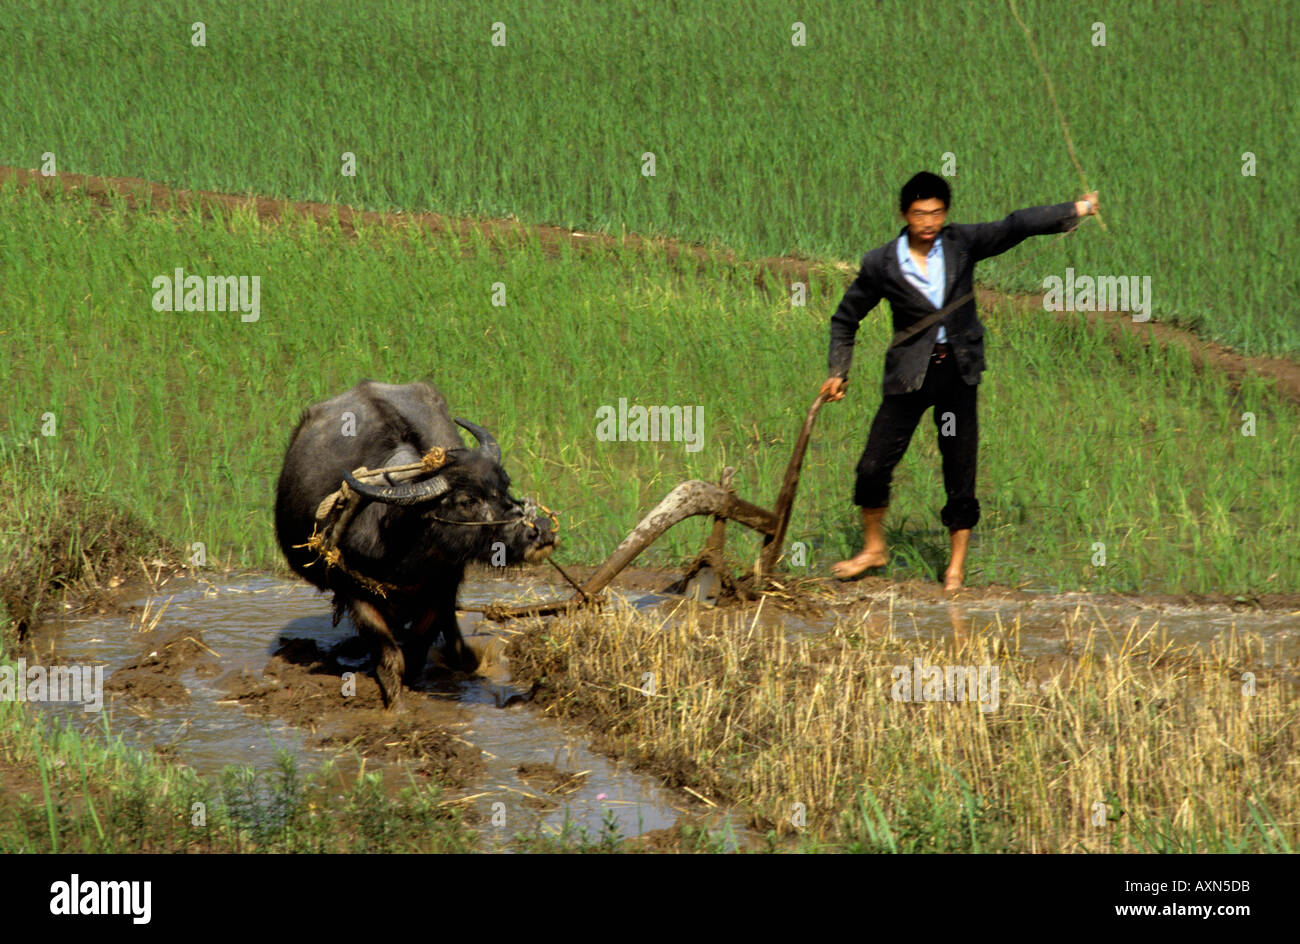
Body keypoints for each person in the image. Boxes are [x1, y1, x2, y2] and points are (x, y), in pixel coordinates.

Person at [820, 171, 1099, 590]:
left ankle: (955, 568)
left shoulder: (962, 243)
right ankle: (874, 549)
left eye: (936, 213)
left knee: (959, 467)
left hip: (958, 372)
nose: (928, 222)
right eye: (919, 214)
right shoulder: (880, 263)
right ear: (904, 215)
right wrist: (838, 372)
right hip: (909, 377)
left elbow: (1015, 225)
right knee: (873, 467)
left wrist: (1077, 209)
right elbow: (846, 319)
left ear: (946, 213)